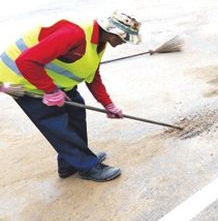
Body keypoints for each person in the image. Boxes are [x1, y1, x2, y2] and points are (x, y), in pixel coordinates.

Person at [0, 11, 141, 182]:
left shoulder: (99, 42)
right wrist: (50, 91)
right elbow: (26, 61)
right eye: (123, 39)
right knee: (58, 126)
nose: (123, 43)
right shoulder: (74, 34)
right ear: (112, 32)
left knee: (76, 113)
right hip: (24, 80)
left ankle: (70, 165)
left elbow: (92, 76)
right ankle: (88, 167)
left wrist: (108, 104)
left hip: (54, 81)